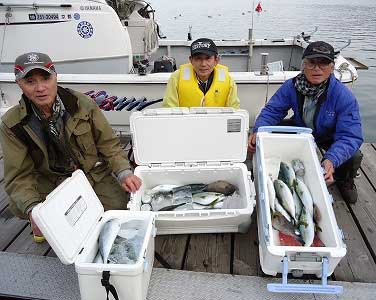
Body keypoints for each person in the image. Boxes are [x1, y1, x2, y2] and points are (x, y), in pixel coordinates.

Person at [0, 52, 142, 242]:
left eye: (45, 78)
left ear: (55, 76)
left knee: (120, 208)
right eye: (30, 81)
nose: (40, 88)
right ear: (19, 83)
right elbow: (18, 176)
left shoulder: (82, 104)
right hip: (50, 181)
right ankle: (42, 223)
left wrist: (124, 172)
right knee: (24, 207)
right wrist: (33, 209)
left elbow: (108, 144)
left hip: (90, 174)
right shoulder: (12, 124)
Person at [248, 41, 363, 204]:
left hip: (328, 134)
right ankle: (276, 168)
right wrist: (258, 131)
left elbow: (350, 136)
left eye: (323, 63)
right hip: (301, 129)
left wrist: (331, 158)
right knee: (268, 132)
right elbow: (272, 111)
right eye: (311, 63)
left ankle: (344, 179)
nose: (317, 68)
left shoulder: (343, 96)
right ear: (303, 65)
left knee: (354, 155)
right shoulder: (292, 86)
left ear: (332, 67)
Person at [162, 38, 240, 108]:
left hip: (216, 123)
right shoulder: (176, 78)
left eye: (208, 58)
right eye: (198, 59)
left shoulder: (228, 80)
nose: (203, 64)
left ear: (216, 60)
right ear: (191, 60)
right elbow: (169, 108)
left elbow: (234, 109)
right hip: (186, 123)